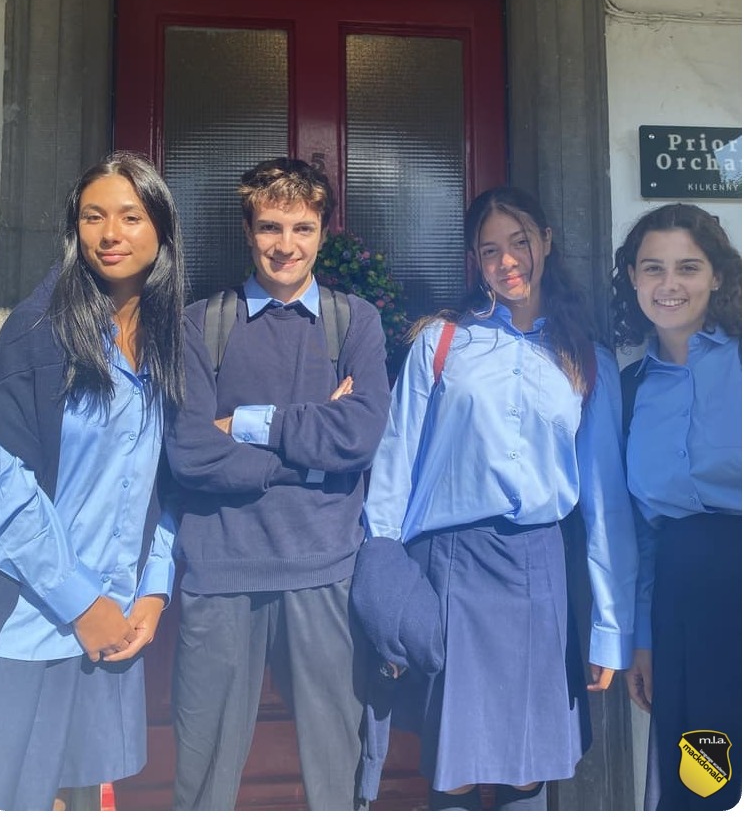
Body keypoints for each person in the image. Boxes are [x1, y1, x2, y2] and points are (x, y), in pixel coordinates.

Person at [357, 186, 638, 810]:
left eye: (519, 242)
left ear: (545, 242)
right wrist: (381, 582)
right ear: (474, 261)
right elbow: (395, 465)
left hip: (541, 572)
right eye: (490, 250)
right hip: (450, 568)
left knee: (526, 769)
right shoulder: (442, 344)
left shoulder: (586, 360)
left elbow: (605, 505)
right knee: (453, 765)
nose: (507, 260)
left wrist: (609, 629)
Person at [164, 157, 391, 810]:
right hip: (221, 574)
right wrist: (312, 458)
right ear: (247, 229)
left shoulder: (356, 324)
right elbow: (191, 454)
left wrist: (248, 425)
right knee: (203, 783)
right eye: (270, 227)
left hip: (324, 569)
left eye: (302, 227)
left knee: (337, 780)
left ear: (324, 232)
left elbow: (360, 438)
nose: (285, 245)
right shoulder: (201, 324)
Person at [0, 150, 186, 810]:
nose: (110, 234)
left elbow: (167, 479)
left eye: (130, 217)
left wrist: (154, 590)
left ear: (160, 229)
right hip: (33, 626)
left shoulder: (164, 343)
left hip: (117, 626)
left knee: (80, 798)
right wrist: (82, 602)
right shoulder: (37, 335)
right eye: (93, 217)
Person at [611, 203, 741, 811]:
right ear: (633, 279)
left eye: (688, 267)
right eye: (652, 268)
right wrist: (643, 640)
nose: (670, 285)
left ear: (717, 276)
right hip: (680, 610)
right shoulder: (630, 388)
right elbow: (645, 531)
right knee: (703, 774)